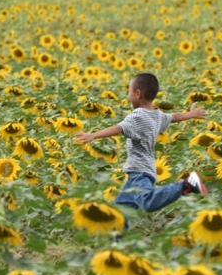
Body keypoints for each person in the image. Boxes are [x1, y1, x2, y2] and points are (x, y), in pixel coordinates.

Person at [75, 73, 208, 219]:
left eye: (129, 92)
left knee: (148, 201)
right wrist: (191, 114)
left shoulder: (137, 116)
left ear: (138, 94)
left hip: (140, 171)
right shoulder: (156, 115)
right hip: (142, 171)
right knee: (120, 213)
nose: (128, 96)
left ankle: (186, 185)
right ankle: (116, 239)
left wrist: (93, 135)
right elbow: (174, 117)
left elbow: (118, 128)